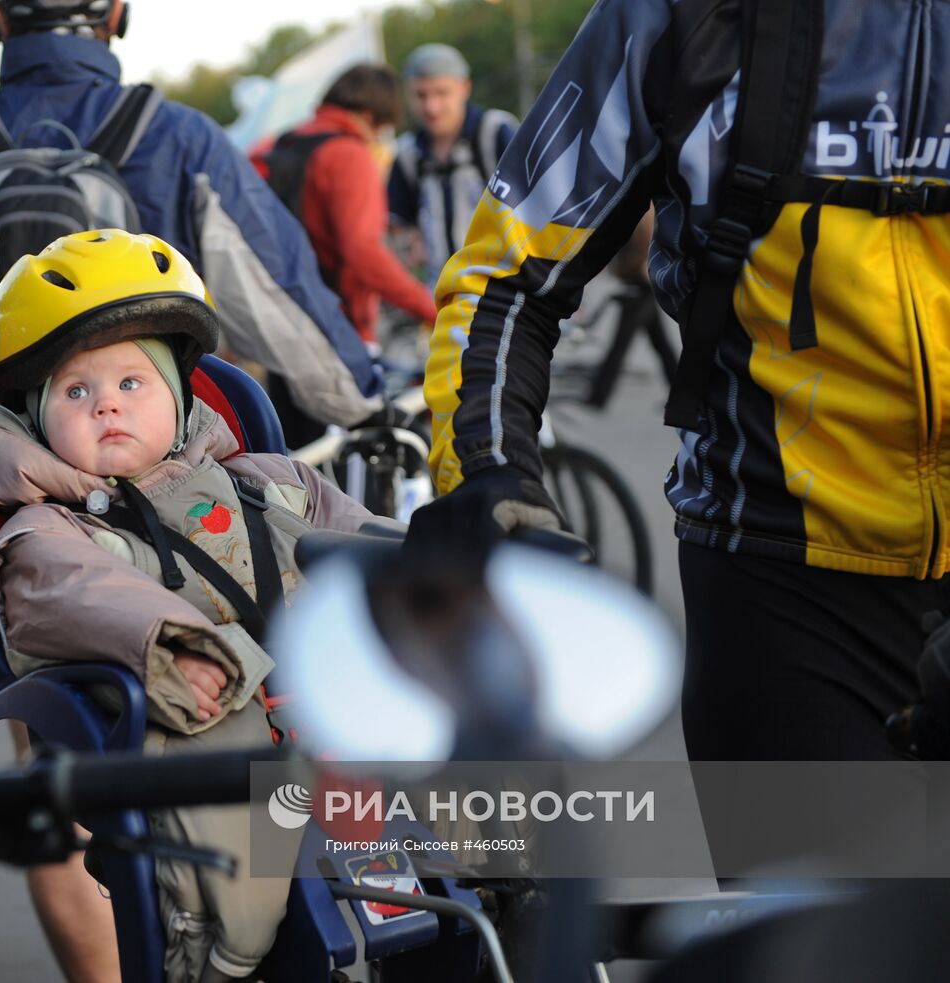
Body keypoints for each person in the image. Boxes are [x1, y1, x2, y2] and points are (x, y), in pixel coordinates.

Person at [406, 0, 950, 764]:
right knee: (835, 881)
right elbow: (506, 276)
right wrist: (489, 474)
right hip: (778, 581)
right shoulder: (682, 14)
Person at [0, 229, 389, 983]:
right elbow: (75, 594)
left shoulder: (271, 480)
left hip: (341, 723)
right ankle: (220, 963)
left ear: (179, 393)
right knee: (248, 917)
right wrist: (175, 642)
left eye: (132, 383)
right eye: (76, 391)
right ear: (36, 419)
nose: (107, 403)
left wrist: (453, 563)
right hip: (222, 747)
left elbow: (363, 534)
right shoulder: (49, 532)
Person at [0, 0, 385, 589]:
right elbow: (280, 297)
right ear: (116, 14)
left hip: (8, 508)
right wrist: (365, 402)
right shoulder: (177, 136)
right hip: (179, 499)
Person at [253, 64, 437, 349]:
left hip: (280, 319)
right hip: (339, 325)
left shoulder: (281, 143)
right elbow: (364, 252)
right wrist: (431, 309)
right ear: (369, 116)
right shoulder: (348, 154)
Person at [387, 43, 519, 287]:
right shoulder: (408, 153)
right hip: (444, 294)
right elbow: (398, 224)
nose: (431, 107)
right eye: (420, 95)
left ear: (464, 88)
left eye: (441, 93)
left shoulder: (494, 132)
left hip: (505, 288)